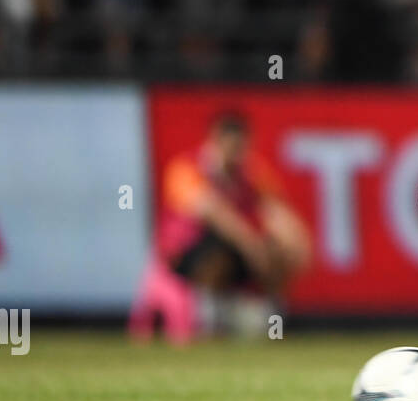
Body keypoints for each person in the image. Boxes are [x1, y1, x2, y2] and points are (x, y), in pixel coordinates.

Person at [129, 111, 310, 343]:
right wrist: (252, 247)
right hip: (184, 256)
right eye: (231, 147)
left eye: (241, 148)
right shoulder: (186, 169)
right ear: (215, 141)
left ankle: (269, 315)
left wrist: (295, 243)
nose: (236, 154)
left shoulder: (251, 172)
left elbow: (275, 210)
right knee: (217, 254)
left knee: (280, 250)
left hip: (235, 250)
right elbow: (216, 214)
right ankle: (208, 316)